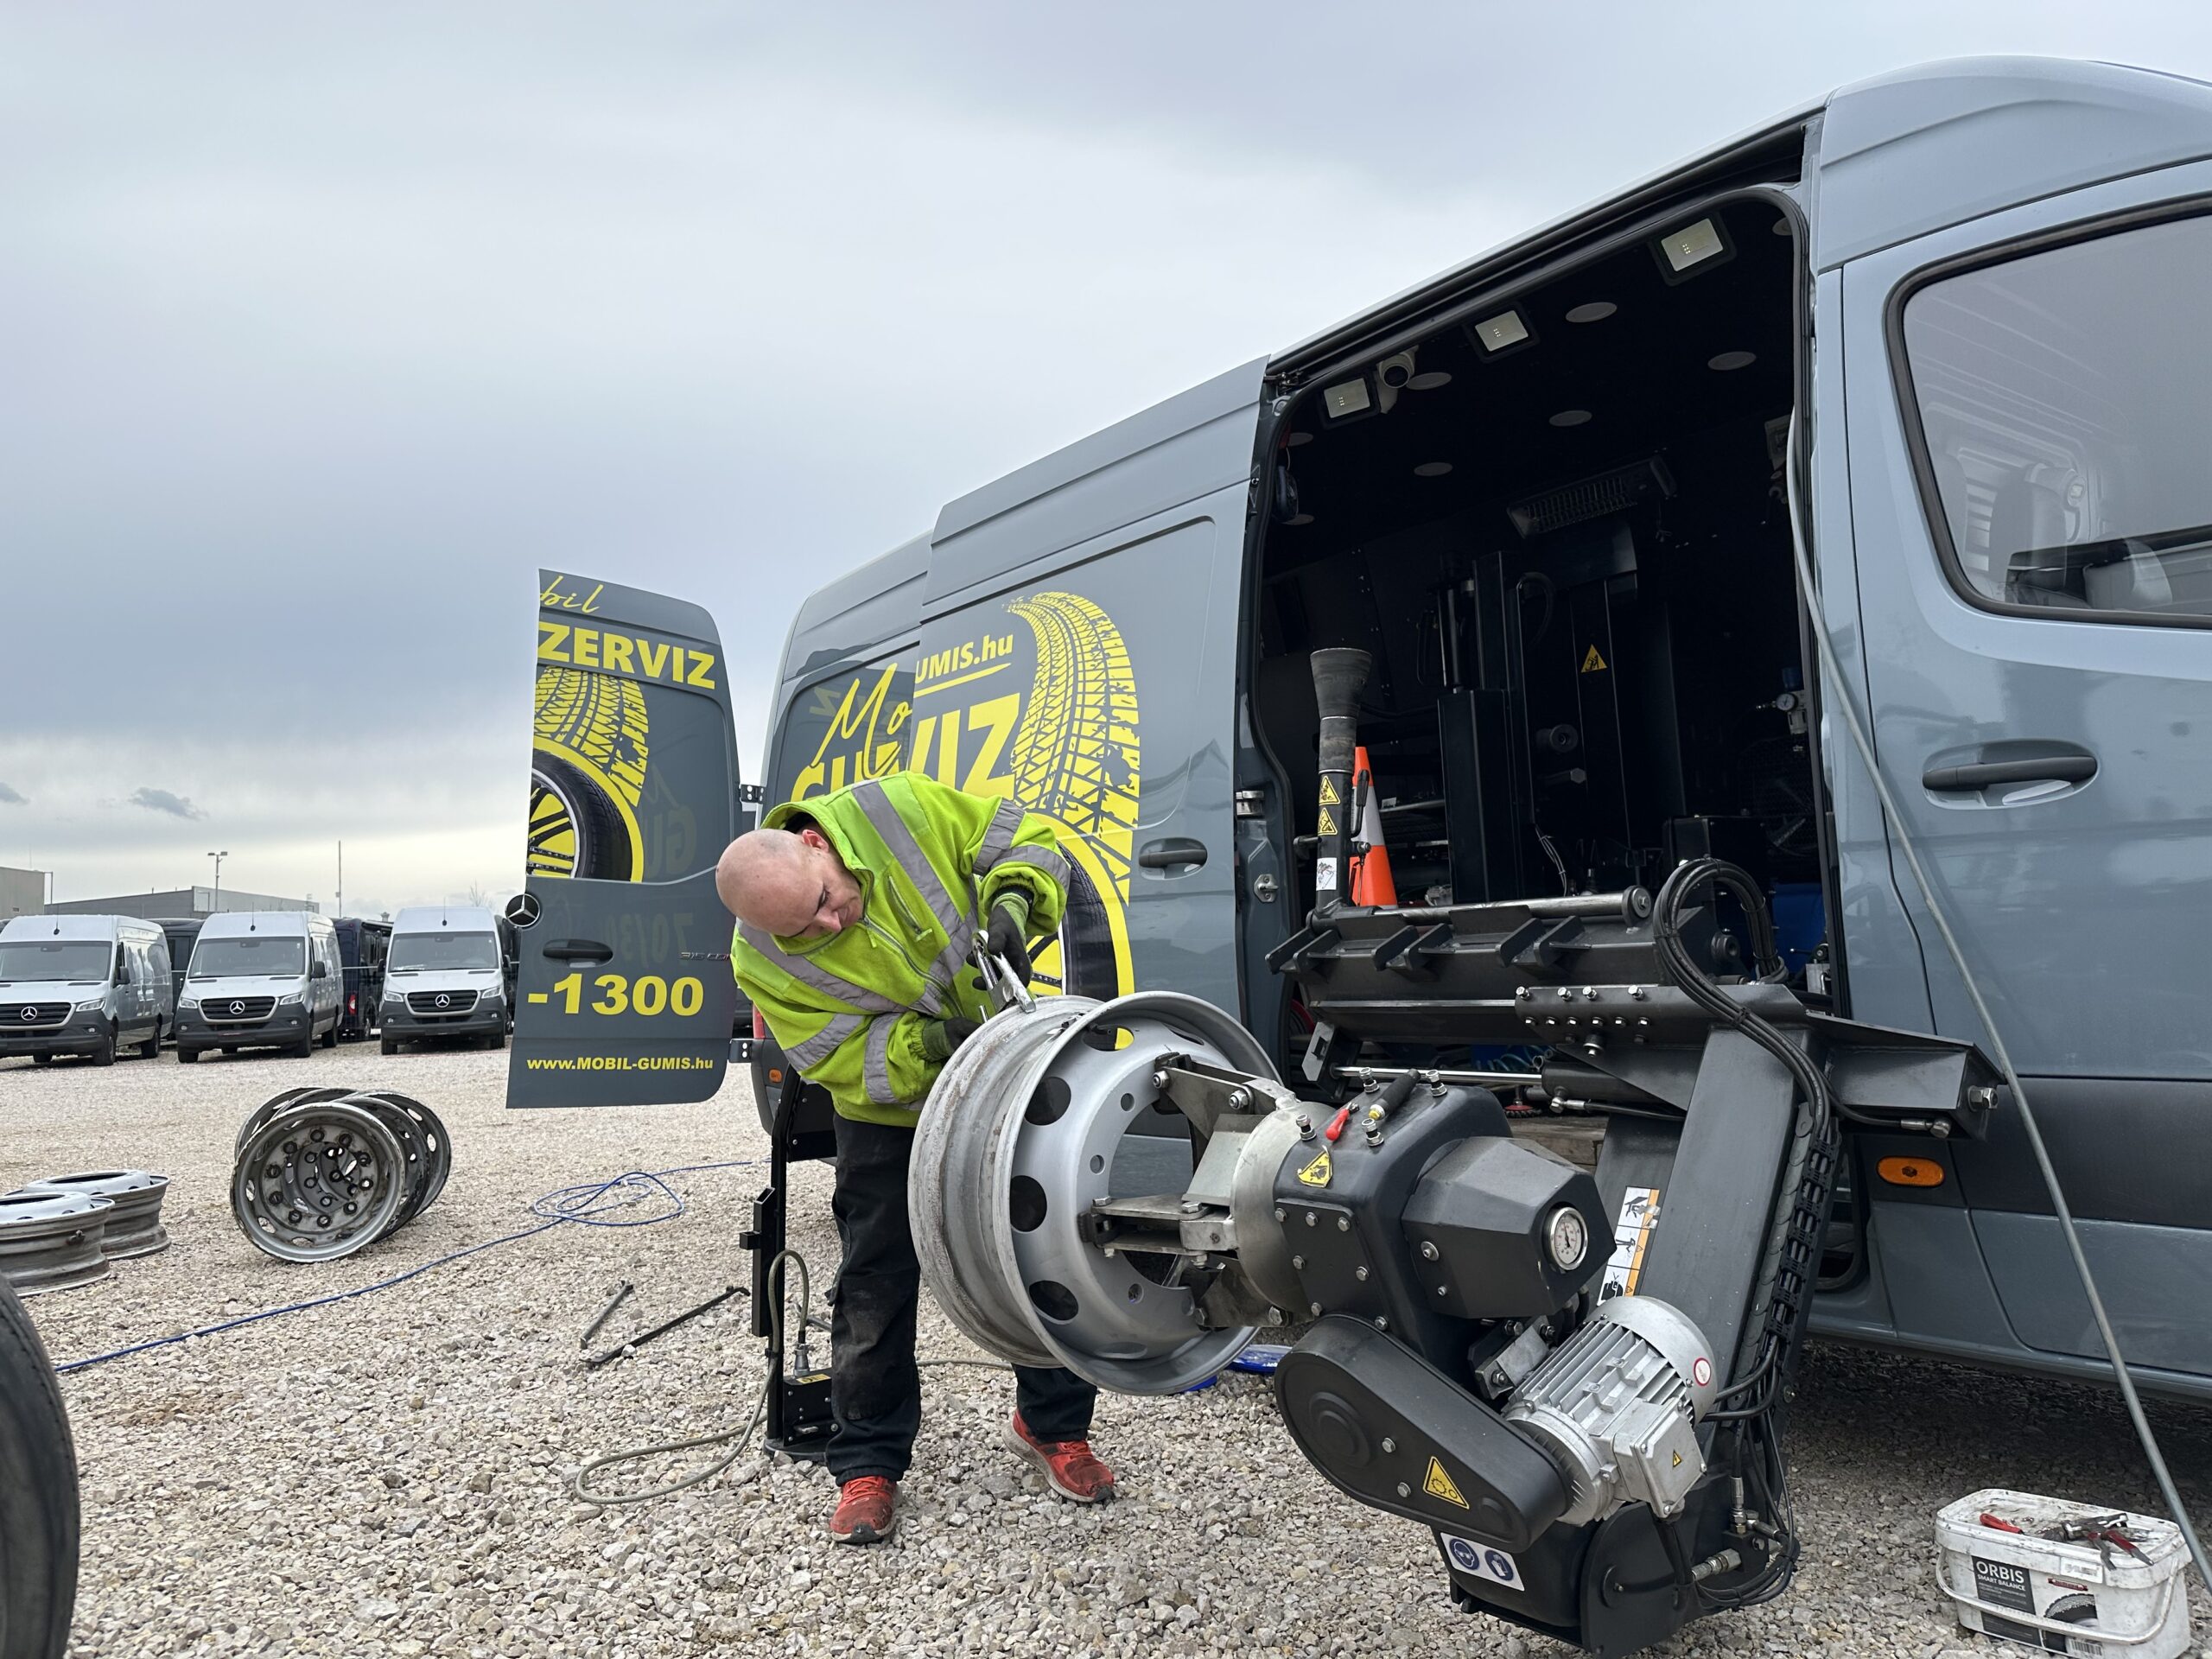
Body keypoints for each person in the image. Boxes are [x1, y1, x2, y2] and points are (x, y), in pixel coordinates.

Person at [718, 772, 1116, 1545]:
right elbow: (841, 1060)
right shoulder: (759, 962)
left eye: (829, 897)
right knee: (875, 1278)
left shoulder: (894, 809)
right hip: (889, 1115)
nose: (833, 921)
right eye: (809, 927)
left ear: (815, 844)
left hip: (1007, 1066)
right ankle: (866, 1461)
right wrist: (931, 1044)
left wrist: (1010, 904)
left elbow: (1029, 839)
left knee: (1037, 1249)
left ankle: (1053, 1427)